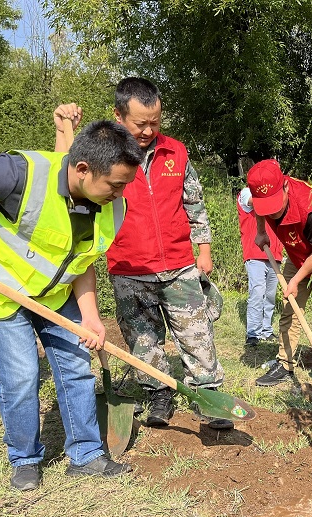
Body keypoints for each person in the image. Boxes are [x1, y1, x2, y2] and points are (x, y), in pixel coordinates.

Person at [0, 120, 143, 491]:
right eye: (115, 184)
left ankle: (86, 454)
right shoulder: (20, 174)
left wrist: (90, 316)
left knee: (76, 369)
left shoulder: (111, 207)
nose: (119, 193)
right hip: (2, 294)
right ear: (82, 169)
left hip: (56, 295)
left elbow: (82, 261)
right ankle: (25, 457)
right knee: (19, 379)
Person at [55, 77, 229, 430]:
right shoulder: (104, 158)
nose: (149, 130)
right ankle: (158, 394)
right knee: (143, 340)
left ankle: (208, 396)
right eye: (140, 124)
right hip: (129, 267)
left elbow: (194, 203)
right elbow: (69, 176)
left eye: (155, 122)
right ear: (118, 116)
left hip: (180, 266)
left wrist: (204, 249)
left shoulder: (176, 153)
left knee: (197, 334)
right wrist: (66, 129)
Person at [248, 159, 312, 411]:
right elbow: (259, 209)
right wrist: (261, 232)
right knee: (289, 310)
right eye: (265, 206)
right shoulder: (262, 200)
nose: (271, 212)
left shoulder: (311, 208)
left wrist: (294, 280)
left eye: (274, 204)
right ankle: (285, 363)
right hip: (298, 254)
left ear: (284, 187)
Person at [236, 186, 283, 346]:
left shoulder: (275, 197)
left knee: (270, 295)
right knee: (257, 292)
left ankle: (266, 330)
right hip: (255, 252)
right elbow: (255, 203)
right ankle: (253, 334)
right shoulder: (246, 193)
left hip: (275, 255)